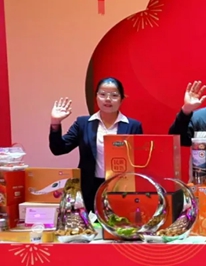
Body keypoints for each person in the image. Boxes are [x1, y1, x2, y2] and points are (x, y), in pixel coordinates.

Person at [48, 77, 143, 212]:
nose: (108, 99)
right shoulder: (83, 123)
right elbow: (58, 149)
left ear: (122, 99)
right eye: (103, 94)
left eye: (114, 95)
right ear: (96, 97)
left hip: (121, 188)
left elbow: (139, 161)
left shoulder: (133, 126)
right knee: (91, 223)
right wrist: (55, 123)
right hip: (89, 187)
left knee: (119, 222)